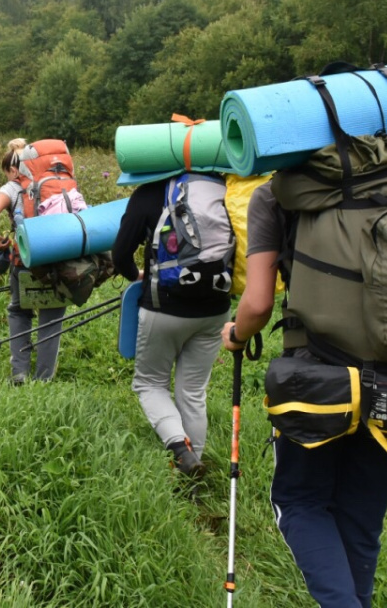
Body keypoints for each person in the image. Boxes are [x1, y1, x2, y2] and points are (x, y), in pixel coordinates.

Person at [223, 179, 387, 608]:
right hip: (386, 385)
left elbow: (257, 305)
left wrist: (236, 336)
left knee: (300, 502)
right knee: (362, 517)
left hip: (318, 382)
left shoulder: (277, 193)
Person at [111, 175, 232, 477]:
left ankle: (179, 448)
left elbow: (120, 254)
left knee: (150, 383)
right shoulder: (225, 186)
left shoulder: (150, 193)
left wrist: (134, 274)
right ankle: (191, 474)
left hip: (164, 308)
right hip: (216, 311)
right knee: (192, 392)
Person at [0, 138, 65, 384]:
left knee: (19, 311)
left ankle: (19, 372)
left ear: (12, 169)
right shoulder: (56, 182)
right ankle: (44, 378)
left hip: (24, 263)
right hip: (59, 260)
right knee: (51, 317)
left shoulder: (13, 187)